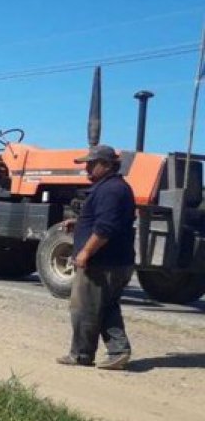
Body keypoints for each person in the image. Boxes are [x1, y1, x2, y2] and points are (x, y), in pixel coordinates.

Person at [56, 144, 136, 370]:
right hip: (116, 260)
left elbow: (105, 228)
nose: (87, 169)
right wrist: (79, 223)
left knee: (84, 308)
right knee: (107, 307)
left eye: (91, 164)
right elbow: (106, 221)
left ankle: (81, 355)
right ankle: (118, 351)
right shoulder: (112, 188)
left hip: (103, 262)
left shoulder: (111, 190)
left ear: (108, 165)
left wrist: (85, 253)